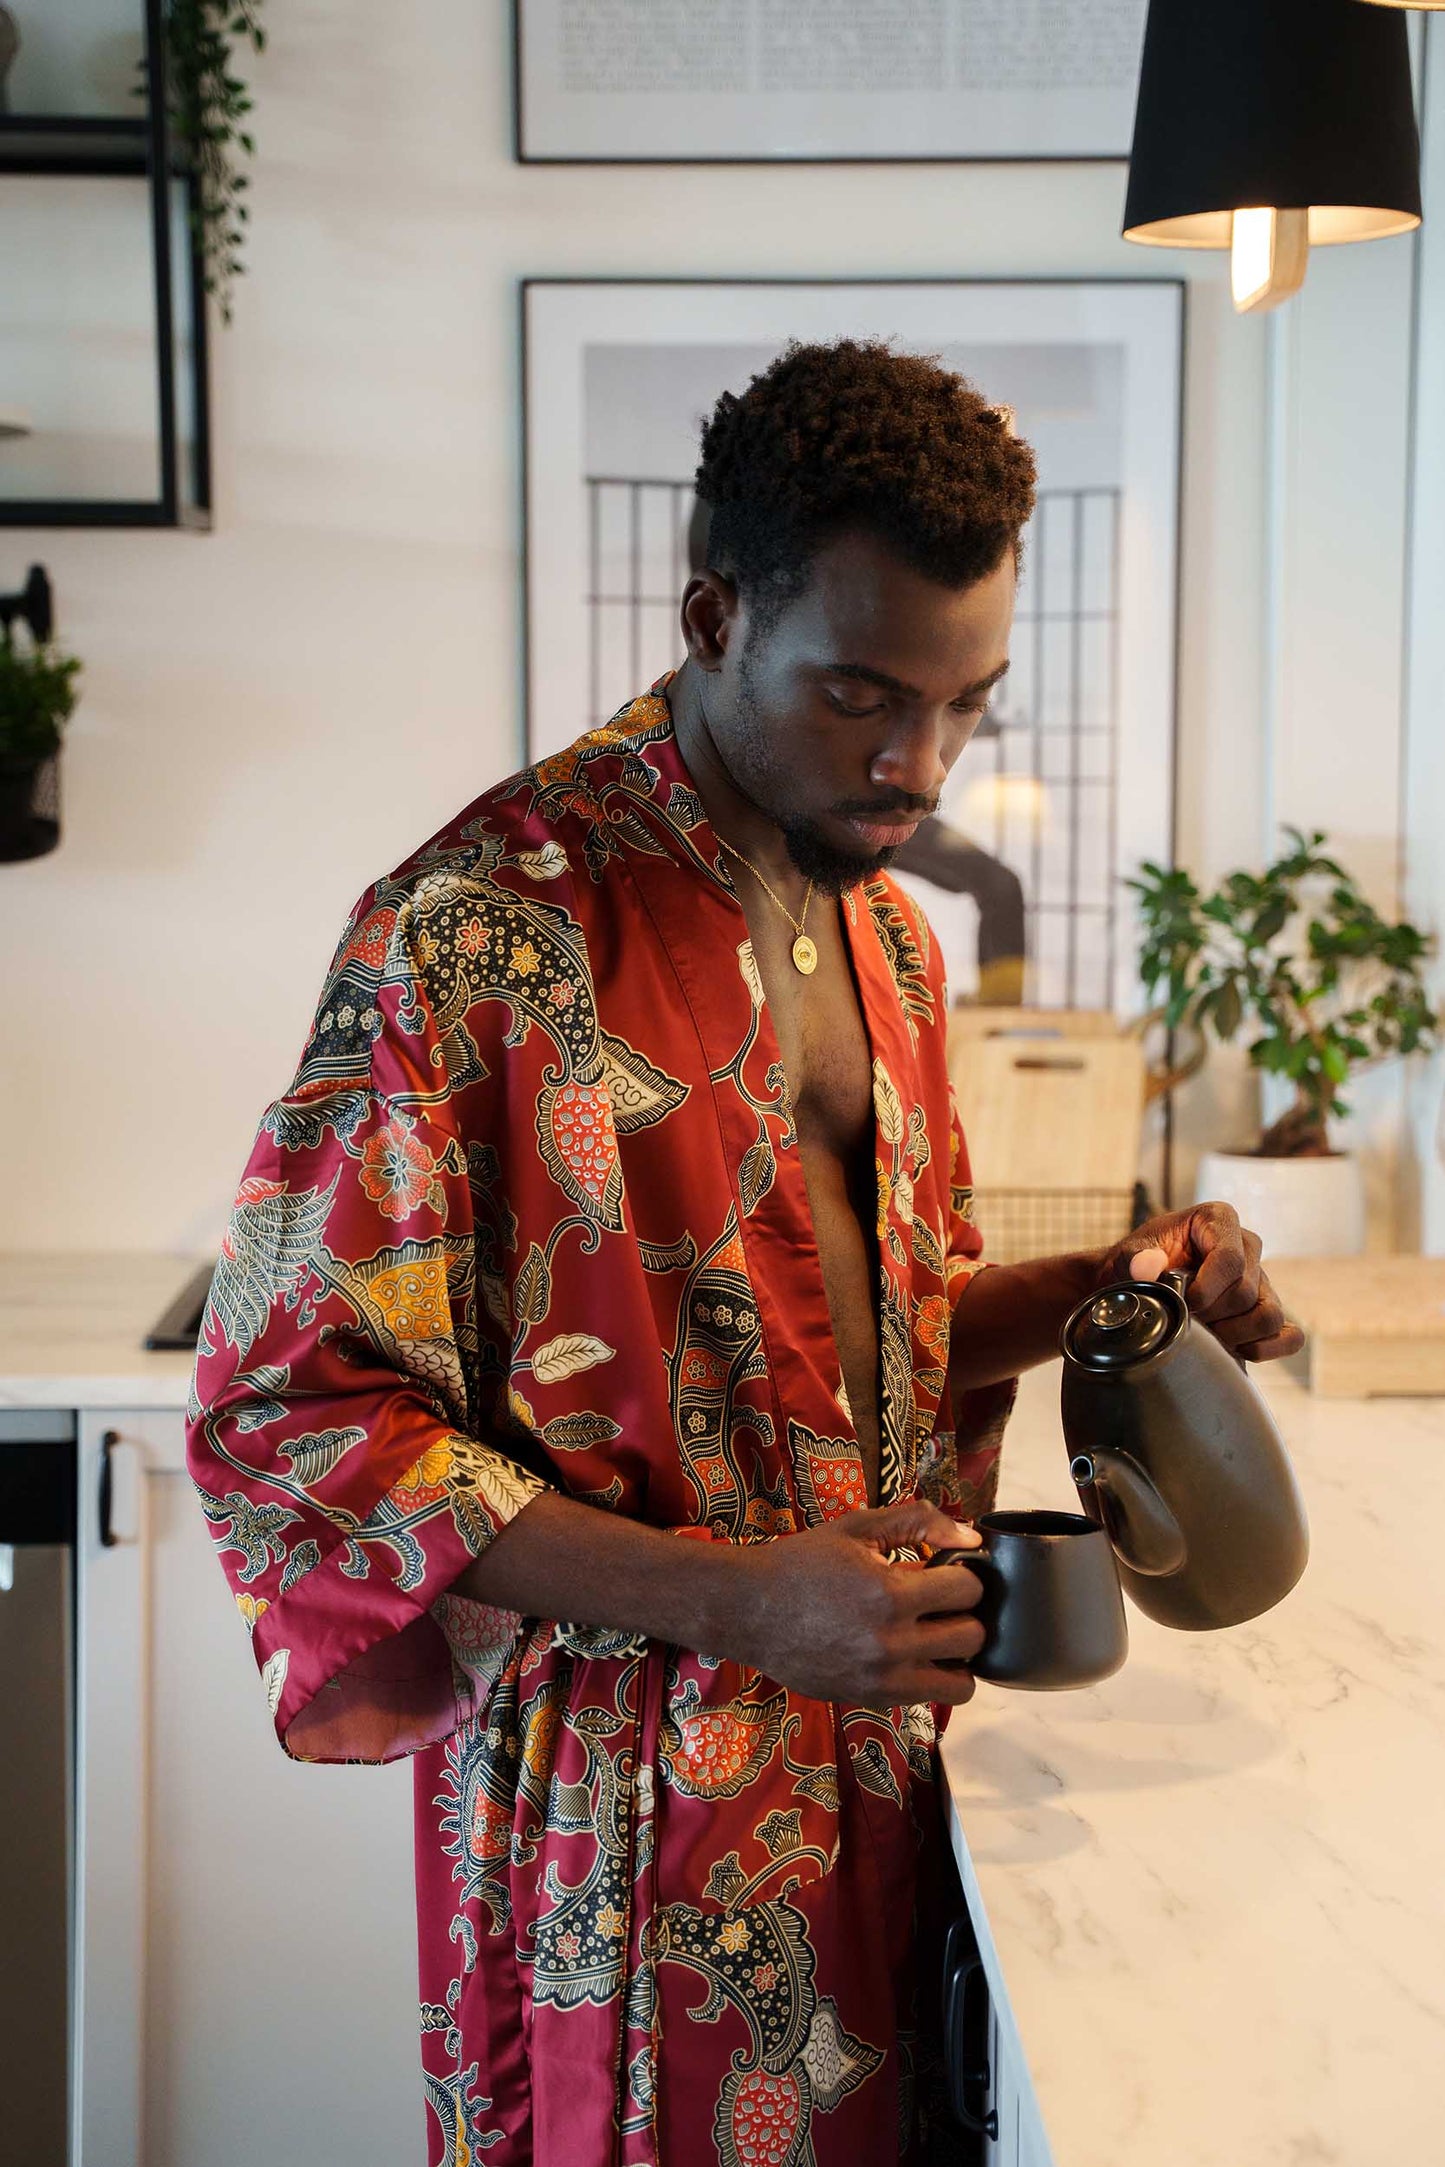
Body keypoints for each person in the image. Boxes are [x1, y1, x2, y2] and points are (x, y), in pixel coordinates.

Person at [188, 339, 1302, 2167]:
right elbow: (287, 1424)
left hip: (873, 1766)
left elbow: (862, 1353)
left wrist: (1110, 1292)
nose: (916, 764)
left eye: (965, 704)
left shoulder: (891, 939)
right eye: (859, 694)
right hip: (619, 1824)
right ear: (714, 617)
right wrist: (736, 1602)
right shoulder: (479, 931)